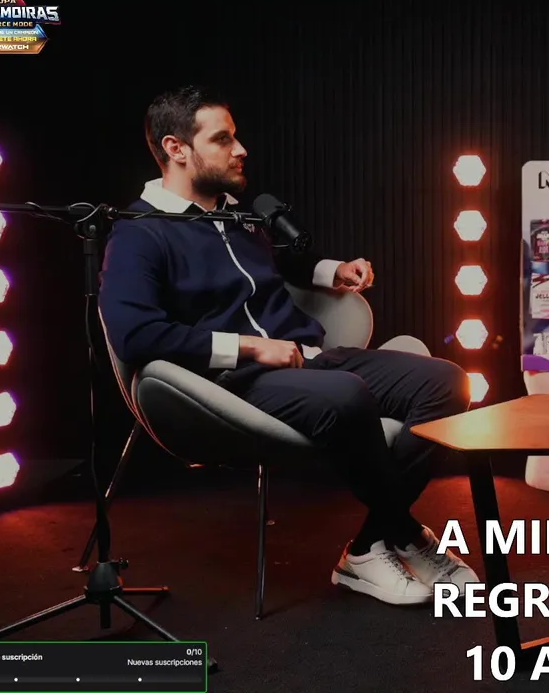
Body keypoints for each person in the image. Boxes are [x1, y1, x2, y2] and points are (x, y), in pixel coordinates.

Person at [99, 85, 478, 607]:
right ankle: (406, 536)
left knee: (447, 383)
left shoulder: (238, 215)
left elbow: (278, 264)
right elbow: (134, 332)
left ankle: (370, 545)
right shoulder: (139, 233)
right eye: (222, 139)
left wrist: (333, 271)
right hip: (231, 383)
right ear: (176, 148)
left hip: (311, 357)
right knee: (347, 395)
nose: (241, 149)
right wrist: (250, 349)